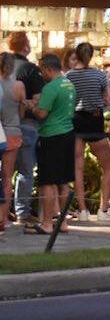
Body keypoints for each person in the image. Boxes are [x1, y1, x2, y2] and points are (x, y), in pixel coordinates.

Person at [25, 54, 76, 236]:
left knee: (47, 181)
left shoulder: (51, 87)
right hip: (68, 133)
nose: (41, 74)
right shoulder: (69, 84)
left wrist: (31, 106)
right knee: (63, 181)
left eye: (41, 70)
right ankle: (62, 223)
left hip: (51, 135)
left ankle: (47, 223)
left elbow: (42, 114)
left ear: (47, 68)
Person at [67, 41, 110, 222]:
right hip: (94, 120)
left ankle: (82, 211)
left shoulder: (69, 76)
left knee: (77, 167)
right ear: (91, 56)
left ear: (77, 55)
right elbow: (107, 101)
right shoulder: (100, 76)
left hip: (75, 120)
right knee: (108, 165)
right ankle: (103, 209)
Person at [8, 31, 43, 225]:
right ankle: (22, 212)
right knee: (25, 169)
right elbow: (38, 100)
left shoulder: (4, 65)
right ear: (26, 46)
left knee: (4, 170)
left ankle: (3, 211)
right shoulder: (30, 69)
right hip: (26, 125)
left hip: (4, 124)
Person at [0, 52, 25, 233]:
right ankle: (3, 217)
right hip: (13, 131)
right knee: (7, 176)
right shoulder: (18, 86)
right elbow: (22, 112)